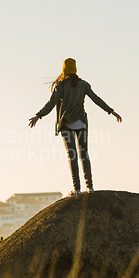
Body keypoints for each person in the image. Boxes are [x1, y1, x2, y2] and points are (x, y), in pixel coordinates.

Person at [28, 58, 122, 196]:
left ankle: (76, 189)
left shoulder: (60, 86)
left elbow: (51, 103)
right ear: (75, 70)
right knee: (84, 154)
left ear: (64, 70)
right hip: (81, 123)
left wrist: (38, 115)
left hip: (66, 124)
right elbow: (96, 99)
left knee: (72, 155)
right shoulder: (83, 85)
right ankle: (90, 188)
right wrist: (111, 111)